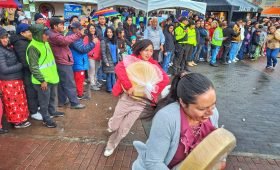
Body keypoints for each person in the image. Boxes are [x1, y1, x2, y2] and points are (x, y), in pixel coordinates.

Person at [132, 71, 226, 170]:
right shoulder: (166, 118)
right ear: (183, 102)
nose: (210, 112)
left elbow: (215, 142)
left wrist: (221, 159)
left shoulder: (213, 113)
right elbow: (154, 162)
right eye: (202, 109)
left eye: (213, 104)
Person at [104, 39, 169, 157]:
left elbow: (165, 79)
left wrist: (153, 88)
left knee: (124, 129)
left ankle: (111, 144)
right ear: (140, 50)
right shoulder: (132, 60)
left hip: (141, 103)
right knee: (114, 125)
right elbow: (119, 68)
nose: (148, 53)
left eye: (150, 51)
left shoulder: (154, 65)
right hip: (127, 99)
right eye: (146, 50)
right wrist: (129, 86)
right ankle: (111, 125)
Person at [26, 24, 64, 128]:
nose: (48, 36)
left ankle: (52, 111)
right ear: (38, 35)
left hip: (51, 77)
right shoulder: (33, 48)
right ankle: (46, 119)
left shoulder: (44, 43)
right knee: (44, 101)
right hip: (42, 81)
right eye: (45, 35)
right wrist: (42, 80)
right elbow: (33, 67)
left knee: (52, 97)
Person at [48, 17, 85, 109]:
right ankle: (74, 103)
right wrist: (79, 34)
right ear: (55, 26)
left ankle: (62, 101)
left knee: (62, 83)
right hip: (63, 61)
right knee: (69, 83)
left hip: (60, 60)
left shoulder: (54, 33)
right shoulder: (54, 35)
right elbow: (65, 40)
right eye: (60, 24)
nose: (63, 26)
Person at [10, 23, 43, 121]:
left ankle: (36, 107)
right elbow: (25, 61)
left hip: (31, 71)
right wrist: (34, 70)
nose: (30, 33)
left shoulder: (25, 41)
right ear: (22, 33)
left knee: (34, 90)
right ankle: (33, 112)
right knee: (31, 92)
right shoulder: (20, 43)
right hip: (27, 72)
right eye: (28, 31)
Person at [0, 27, 31, 129]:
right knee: (13, 103)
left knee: (19, 102)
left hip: (16, 79)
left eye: (6, 37)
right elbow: (4, 69)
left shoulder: (8, 48)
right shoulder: (1, 51)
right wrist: (20, 65)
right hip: (8, 81)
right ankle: (16, 122)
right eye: (2, 38)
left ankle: (19, 120)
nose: (5, 40)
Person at [67, 22, 95, 99]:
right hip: (78, 62)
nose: (82, 30)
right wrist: (93, 43)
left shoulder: (75, 36)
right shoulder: (74, 38)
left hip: (78, 61)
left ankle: (79, 92)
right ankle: (79, 94)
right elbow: (82, 49)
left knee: (79, 79)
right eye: (81, 29)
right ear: (76, 29)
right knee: (79, 79)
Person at [84, 24, 102, 91]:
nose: (92, 30)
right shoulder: (86, 37)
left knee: (95, 71)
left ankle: (94, 81)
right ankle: (92, 84)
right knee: (92, 71)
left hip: (98, 57)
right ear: (88, 29)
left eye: (93, 28)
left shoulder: (96, 37)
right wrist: (91, 54)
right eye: (91, 28)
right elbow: (85, 47)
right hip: (90, 57)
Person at [101, 27, 118, 93]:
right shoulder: (104, 41)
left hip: (115, 60)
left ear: (113, 33)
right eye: (108, 32)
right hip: (108, 60)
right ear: (106, 33)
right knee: (109, 75)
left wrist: (118, 60)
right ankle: (109, 88)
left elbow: (116, 51)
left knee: (113, 74)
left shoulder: (114, 40)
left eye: (110, 32)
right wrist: (106, 62)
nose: (109, 33)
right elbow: (103, 53)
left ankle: (114, 88)